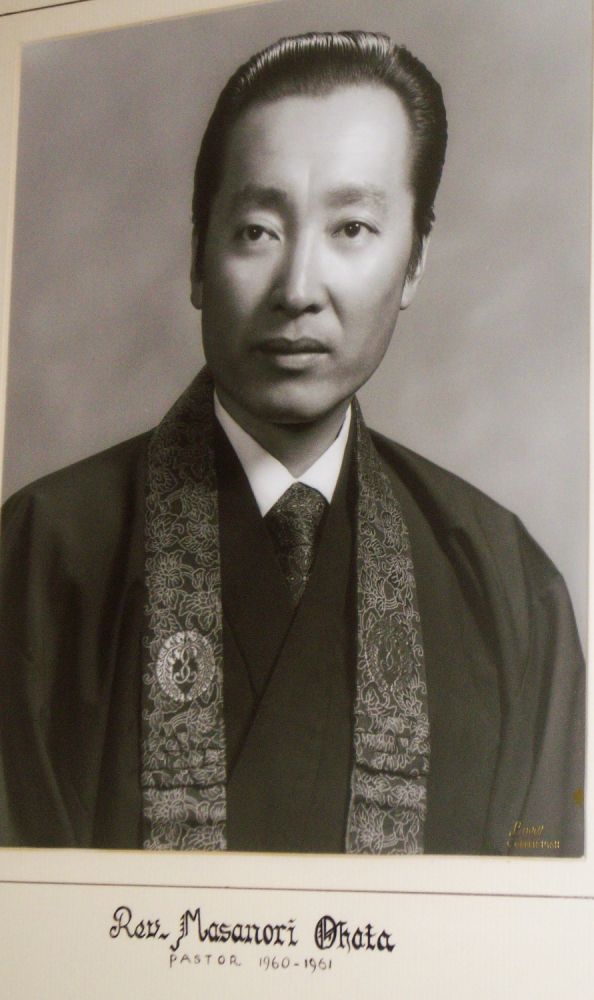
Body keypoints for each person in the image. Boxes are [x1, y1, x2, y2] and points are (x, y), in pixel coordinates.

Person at [0, 31, 584, 856]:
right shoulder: (42, 557)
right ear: (197, 257)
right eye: (256, 231)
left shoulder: (505, 585)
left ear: (415, 262)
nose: (299, 289)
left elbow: (535, 908)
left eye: (352, 227)